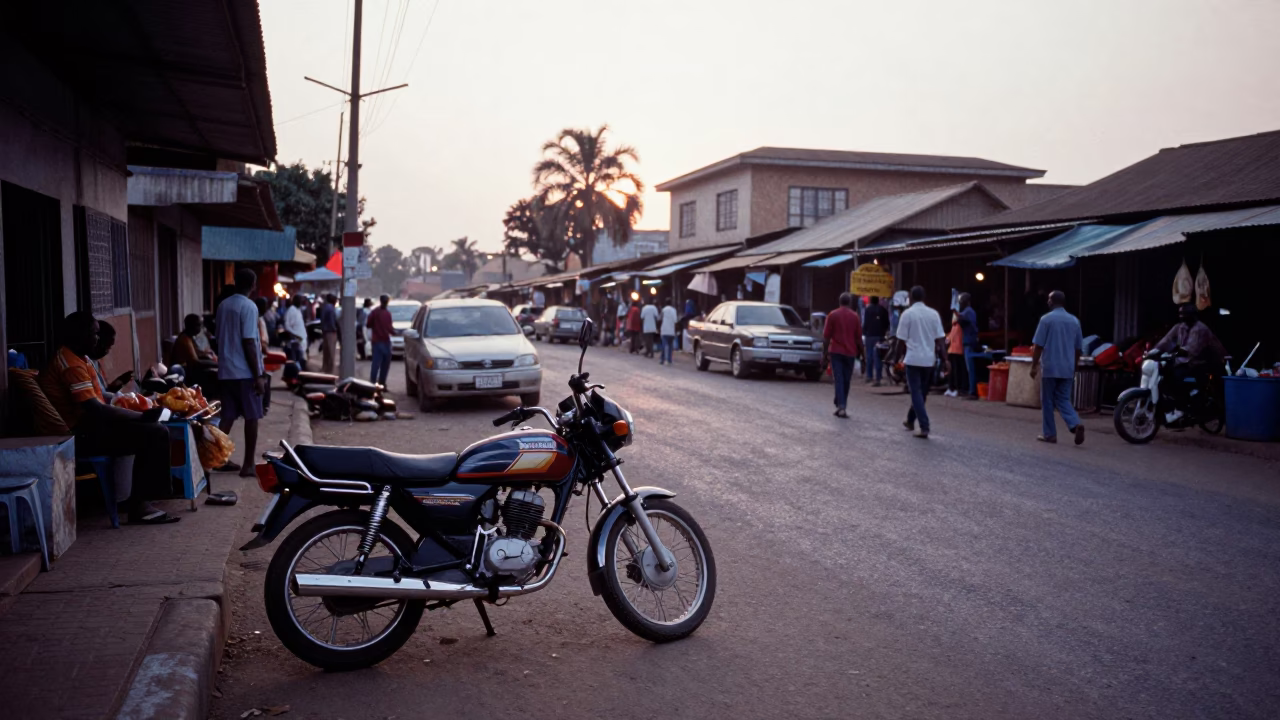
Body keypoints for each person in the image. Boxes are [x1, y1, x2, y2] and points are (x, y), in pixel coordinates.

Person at [39, 311, 180, 524]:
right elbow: (96, 409)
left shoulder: (78, 359)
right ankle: (141, 505)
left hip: (90, 426)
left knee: (153, 430)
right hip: (78, 435)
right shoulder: (70, 365)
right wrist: (138, 417)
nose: (97, 339)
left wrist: (137, 410)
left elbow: (100, 397)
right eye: (94, 334)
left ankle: (142, 499)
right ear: (80, 335)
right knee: (154, 433)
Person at [214, 268, 266, 476]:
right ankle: (248, 464)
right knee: (252, 417)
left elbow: (218, 336)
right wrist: (258, 375)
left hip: (226, 370)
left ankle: (215, 459)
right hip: (244, 372)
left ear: (235, 282)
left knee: (227, 417)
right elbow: (249, 342)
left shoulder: (223, 305)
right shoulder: (249, 306)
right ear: (253, 285)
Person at [1030, 290, 1085, 445]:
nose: (1047, 302)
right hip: (1067, 368)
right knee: (1063, 399)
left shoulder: (1046, 320)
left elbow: (1038, 346)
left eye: (1048, 299)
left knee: (1047, 400)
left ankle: (1050, 434)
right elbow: (1078, 348)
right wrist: (1074, 366)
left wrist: (1034, 366)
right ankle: (1075, 423)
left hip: (1050, 367)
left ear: (1052, 301)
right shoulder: (1074, 321)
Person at [1150, 303, 1227, 413]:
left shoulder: (1200, 329)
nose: (1181, 316)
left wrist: (1173, 354)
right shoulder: (1180, 326)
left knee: (1177, 375)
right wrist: (1154, 352)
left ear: (1192, 314)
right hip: (1189, 361)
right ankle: (1174, 403)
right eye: (1180, 314)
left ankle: (1184, 404)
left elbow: (1191, 349)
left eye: (1184, 314)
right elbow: (1166, 340)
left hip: (1205, 362)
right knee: (1165, 373)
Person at [895, 285, 947, 439]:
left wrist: (895, 359)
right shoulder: (934, 314)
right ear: (924, 298)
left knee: (916, 393)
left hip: (913, 359)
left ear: (910, 298)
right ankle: (911, 420)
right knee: (921, 393)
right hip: (929, 360)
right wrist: (945, 359)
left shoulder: (907, 314)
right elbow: (941, 340)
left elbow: (900, 341)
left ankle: (924, 426)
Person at [822, 292, 864, 419]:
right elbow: (858, 339)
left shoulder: (833, 315)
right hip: (850, 353)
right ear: (850, 303)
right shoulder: (855, 316)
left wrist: (824, 353)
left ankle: (840, 404)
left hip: (836, 351)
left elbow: (826, 337)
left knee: (839, 379)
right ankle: (841, 404)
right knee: (846, 380)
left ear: (839, 302)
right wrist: (863, 355)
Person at [88, 322, 133, 402]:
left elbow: (104, 391)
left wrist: (119, 382)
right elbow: (100, 398)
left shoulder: (96, 363)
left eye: (110, 347)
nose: (107, 351)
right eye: (107, 346)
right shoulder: (84, 364)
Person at [367, 294, 394, 387]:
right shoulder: (387, 313)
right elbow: (390, 328)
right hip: (384, 341)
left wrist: (376, 327)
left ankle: (373, 383)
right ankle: (381, 383)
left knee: (376, 363)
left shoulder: (375, 312)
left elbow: (368, 324)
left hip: (378, 341)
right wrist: (395, 333)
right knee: (384, 364)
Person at [957, 292, 980, 399]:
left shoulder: (968, 312)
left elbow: (964, 321)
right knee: (968, 368)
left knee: (970, 368)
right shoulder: (966, 311)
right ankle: (970, 389)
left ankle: (972, 391)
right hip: (967, 341)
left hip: (969, 341)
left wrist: (956, 314)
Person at [862, 296, 889, 386]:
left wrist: (864, 332)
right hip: (879, 335)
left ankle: (869, 376)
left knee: (869, 356)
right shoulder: (883, 310)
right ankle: (878, 377)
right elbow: (887, 323)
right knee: (878, 357)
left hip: (869, 335)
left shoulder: (867, 310)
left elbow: (865, 322)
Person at [945, 311, 966, 398]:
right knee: (951, 370)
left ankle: (957, 389)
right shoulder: (954, 326)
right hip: (952, 350)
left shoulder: (959, 326)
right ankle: (951, 387)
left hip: (957, 350)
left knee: (957, 371)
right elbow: (949, 337)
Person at [318, 293, 339, 374]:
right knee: (331, 352)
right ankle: (330, 370)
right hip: (331, 332)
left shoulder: (325, 307)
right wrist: (335, 329)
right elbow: (331, 321)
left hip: (326, 332)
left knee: (326, 352)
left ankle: (325, 368)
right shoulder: (331, 308)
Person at [659, 297, 678, 366]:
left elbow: (660, 319)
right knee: (670, 346)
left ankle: (662, 359)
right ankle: (669, 360)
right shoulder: (674, 310)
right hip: (671, 331)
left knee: (664, 346)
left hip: (664, 330)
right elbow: (675, 321)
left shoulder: (663, 310)